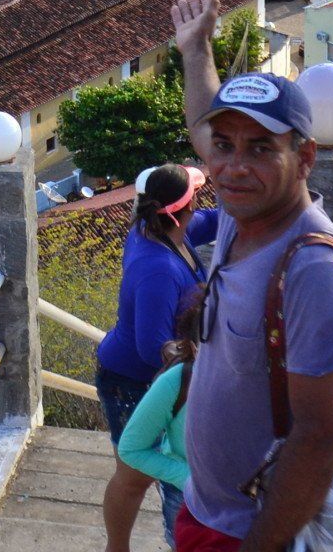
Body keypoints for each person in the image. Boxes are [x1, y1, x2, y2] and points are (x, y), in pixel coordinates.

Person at [167, 0, 333, 552]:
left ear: (304, 159)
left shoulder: (314, 270)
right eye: (224, 147)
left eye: (260, 149)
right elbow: (203, 126)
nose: (234, 166)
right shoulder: (244, 214)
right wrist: (196, 50)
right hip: (206, 510)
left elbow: (320, 436)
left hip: (248, 531)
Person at [95, 165, 216, 552]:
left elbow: (215, 221)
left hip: (148, 376)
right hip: (131, 380)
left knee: (144, 471)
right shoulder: (158, 269)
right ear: (186, 207)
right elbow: (152, 347)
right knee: (134, 474)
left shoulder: (166, 231)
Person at [116, 317, 199, 515]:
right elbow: (130, 449)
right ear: (195, 349)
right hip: (185, 496)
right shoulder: (177, 381)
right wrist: (189, 479)